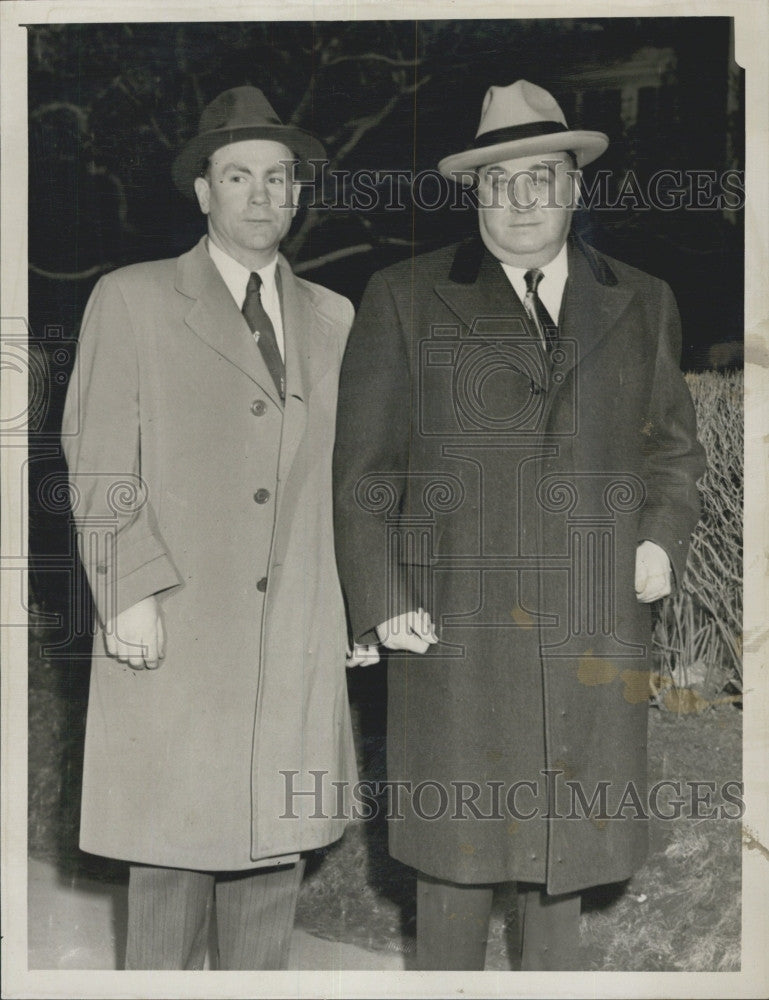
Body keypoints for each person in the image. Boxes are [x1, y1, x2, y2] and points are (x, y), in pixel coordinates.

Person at [333, 79, 706, 970]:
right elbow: (364, 472)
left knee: (563, 867)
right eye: (500, 181)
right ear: (475, 195)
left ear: (576, 187)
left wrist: (658, 536)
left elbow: (672, 451)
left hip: (588, 624)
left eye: (542, 177)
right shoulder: (402, 296)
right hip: (452, 633)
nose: (522, 199)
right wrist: (383, 599)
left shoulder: (641, 299)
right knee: (453, 871)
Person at [62, 86, 367, 970]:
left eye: (280, 178)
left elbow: (347, 479)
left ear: (299, 193)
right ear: (202, 191)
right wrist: (128, 594)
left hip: (291, 638)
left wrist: (356, 609)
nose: (262, 195)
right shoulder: (133, 298)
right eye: (239, 176)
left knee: (272, 869)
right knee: (168, 871)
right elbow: (100, 460)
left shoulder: (333, 317)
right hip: (175, 628)